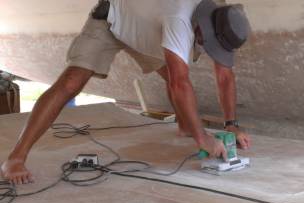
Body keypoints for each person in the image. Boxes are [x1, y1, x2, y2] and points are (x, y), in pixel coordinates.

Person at [1, 0, 252, 185]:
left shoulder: (222, 19)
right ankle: (15, 158)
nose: (208, 51)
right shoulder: (180, 19)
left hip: (147, 29)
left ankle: (187, 127)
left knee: (174, 71)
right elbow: (180, 83)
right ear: (201, 29)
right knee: (71, 83)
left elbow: (224, 75)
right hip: (112, 21)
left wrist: (231, 124)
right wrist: (204, 138)